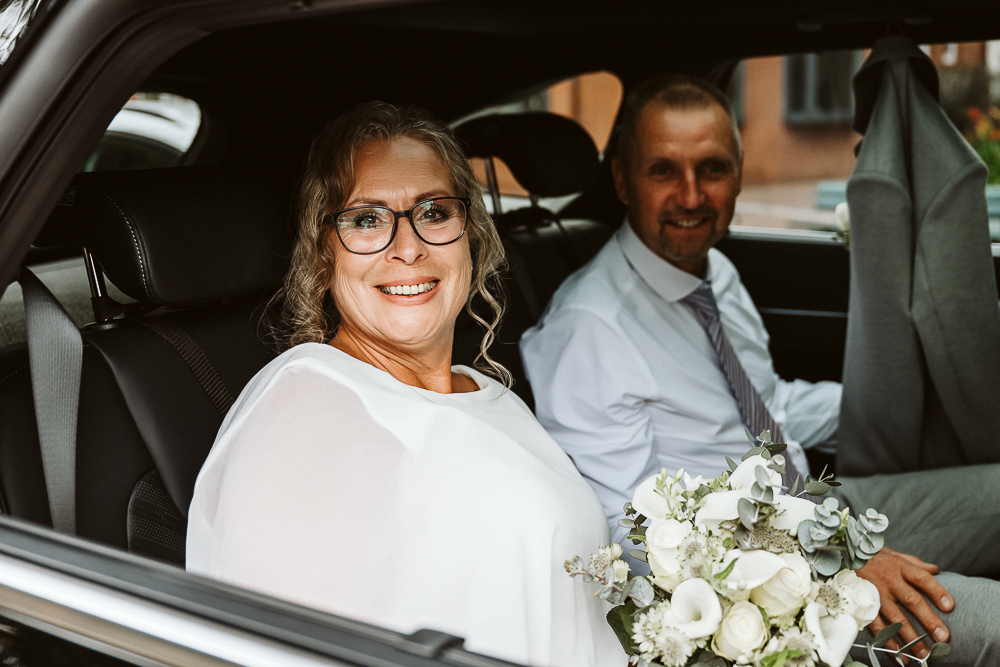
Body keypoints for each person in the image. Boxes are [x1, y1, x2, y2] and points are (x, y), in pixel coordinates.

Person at [521, 75, 1000, 664]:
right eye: (663, 171)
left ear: (739, 175)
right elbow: (632, 538)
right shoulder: (588, 330)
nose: (691, 196)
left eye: (712, 169)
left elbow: (768, 403)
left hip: (817, 505)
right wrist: (837, 562)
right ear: (622, 180)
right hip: (758, 585)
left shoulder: (714, 272)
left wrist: (898, 401)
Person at [186, 102, 624, 667]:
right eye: (367, 220)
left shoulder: (485, 392)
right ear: (324, 253)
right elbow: (278, 649)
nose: (409, 246)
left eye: (434, 212)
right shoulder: (308, 408)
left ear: (471, 236)